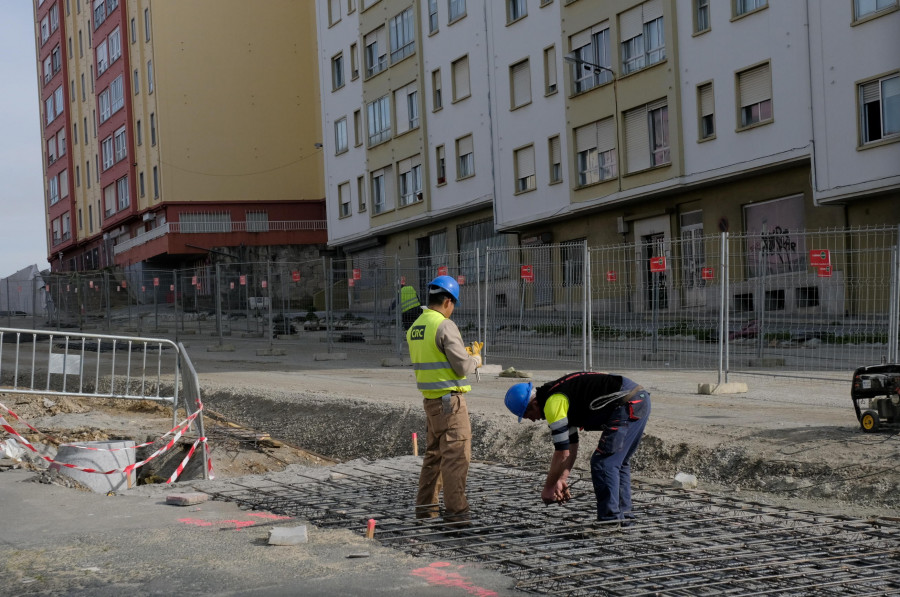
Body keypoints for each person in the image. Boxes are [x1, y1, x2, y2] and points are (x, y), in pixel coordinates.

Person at [504, 372, 651, 524]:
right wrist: (561, 479)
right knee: (617, 463)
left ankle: (611, 521)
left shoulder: (553, 404)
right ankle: (624, 518)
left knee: (603, 463)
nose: (533, 420)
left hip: (627, 403)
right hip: (638, 399)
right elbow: (571, 448)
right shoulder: (558, 398)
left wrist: (549, 487)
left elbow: (561, 452)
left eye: (528, 415)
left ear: (534, 404)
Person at [407, 275, 481, 526]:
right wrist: (475, 360)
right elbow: (461, 367)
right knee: (456, 458)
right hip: (451, 403)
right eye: (453, 305)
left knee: (434, 458)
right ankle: (457, 517)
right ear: (448, 301)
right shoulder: (444, 325)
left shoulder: (416, 325)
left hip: (431, 403)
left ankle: (426, 511)